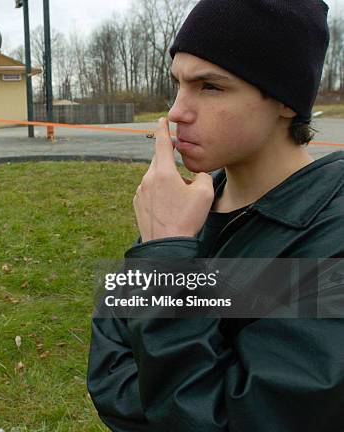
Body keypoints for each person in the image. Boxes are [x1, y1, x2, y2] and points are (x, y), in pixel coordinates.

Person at [87, 0, 344, 431]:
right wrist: (166, 250)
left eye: (209, 87)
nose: (176, 112)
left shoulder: (329, 236)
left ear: (285, 99)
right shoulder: (188, 211)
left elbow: (236, 419)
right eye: (178, 84)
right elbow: (109, 370)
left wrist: (167, 263)